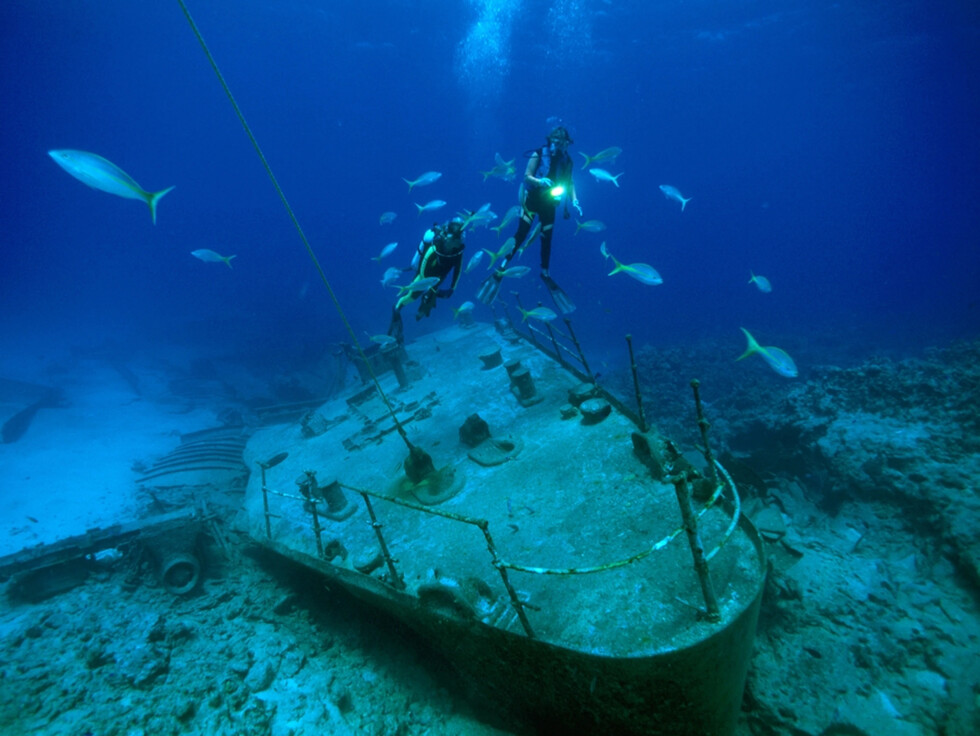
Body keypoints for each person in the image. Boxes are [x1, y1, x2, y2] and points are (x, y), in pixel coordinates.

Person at [477, 125, 582, 313]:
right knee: (521, 234)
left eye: (562, 143)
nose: (557, 146)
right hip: (532, 200)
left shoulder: (568, 161)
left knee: (546, 239)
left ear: (567, 144)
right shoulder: (538, 154)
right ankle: (502, 266)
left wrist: (575, 200)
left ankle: (545, 272)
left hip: (550, 204)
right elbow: (526, 176)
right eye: (555, 141)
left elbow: (570, 182)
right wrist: (540, 181)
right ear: (550, 140)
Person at [388, 217, 466, 343]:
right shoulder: (437, 244)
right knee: (411, 297)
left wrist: (452, 289)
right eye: (453, 241)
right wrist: (427, 285)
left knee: (428, 302)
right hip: (425, 276)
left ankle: (422, 310)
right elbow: (423, 266)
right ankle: (397, 309)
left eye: (458, 241)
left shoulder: (459, 250)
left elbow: (458, 269)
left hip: (437, 279)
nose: (455, 245)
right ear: (447, 238)